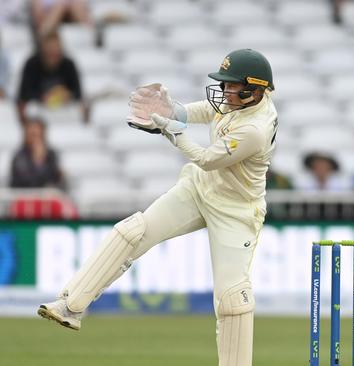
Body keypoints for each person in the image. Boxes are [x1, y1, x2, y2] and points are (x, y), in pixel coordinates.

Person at [37, 49, 278, 366]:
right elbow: (208, 110)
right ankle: (71, 306)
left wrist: (170, 130)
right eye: (224, 85)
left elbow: (207, 160)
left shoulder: (256, 129)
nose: (224, 92)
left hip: (236, 210)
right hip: (199, 189)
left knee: (232, 298)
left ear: (254, 89)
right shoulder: (237, 101)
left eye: (231, 86)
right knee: (134, 231)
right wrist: (175, 111)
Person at [16, 31, 83, 124]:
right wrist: (42, 97)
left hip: (64, 111)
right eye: (50, 52)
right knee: (31, 109)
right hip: (39, 112)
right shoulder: (32, 64)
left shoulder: (68, 64)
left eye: (57, 52)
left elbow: (78, 93)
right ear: (43, 51)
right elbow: (23, 94)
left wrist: (68, 95)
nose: (54, 56)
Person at [10, 116, 66, 190]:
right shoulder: (19, 157)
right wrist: (38, 161)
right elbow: (25, 182)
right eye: (32, 134)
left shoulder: (51, 155)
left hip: (47, 199)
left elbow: (55, 179)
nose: (35, 138)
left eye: (37, 134)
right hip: (24, 198)